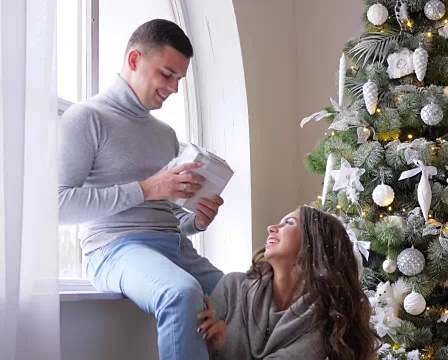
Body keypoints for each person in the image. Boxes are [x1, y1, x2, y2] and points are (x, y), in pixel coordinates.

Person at [58, 19, 224, 360]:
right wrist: (145, 189)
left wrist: (197, 221)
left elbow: (166, 211)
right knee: (181, 293)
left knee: (247, 295)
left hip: (174, 246)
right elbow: (56, 205)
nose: (174, 88)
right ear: (134, 60)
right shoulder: (85, 118)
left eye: (180, 79)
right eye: (167, 74)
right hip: (112, 249)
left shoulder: (165, 134)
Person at [197, 206, 380, 359]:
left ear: (314, 243)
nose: (271, 227)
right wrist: (211, 348)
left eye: (289, 223)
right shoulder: (232, 287)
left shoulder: (325, 322)